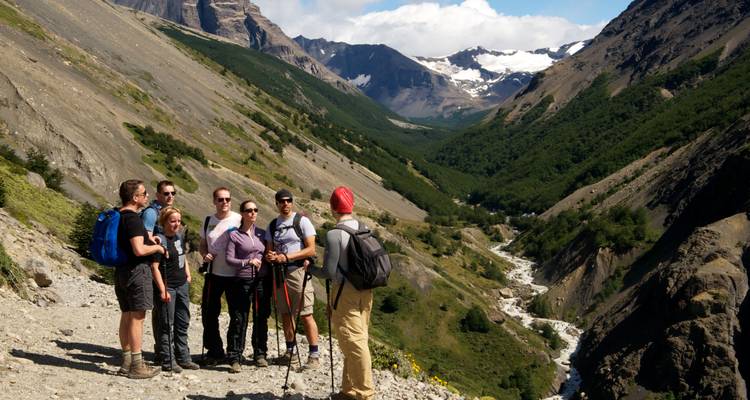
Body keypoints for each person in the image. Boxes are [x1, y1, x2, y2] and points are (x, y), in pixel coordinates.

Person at [312, 186, 374, 399]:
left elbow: (328, 272)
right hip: (365, 291)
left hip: (345, 293)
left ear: (332, 208)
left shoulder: (334, 234)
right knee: (358, 338)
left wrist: (308, 268)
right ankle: (349, 391)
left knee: (353, 342)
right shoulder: (363, 227)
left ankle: (365, 393)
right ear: (352, 205)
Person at [115, 179, 166, 379]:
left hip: (121, 271)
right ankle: (137, 364)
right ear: (135, 198)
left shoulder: (118, 215)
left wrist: (149, 239)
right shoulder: (133, 218)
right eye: (144, 193)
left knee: (126, 314)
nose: (147, 196)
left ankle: (126, 361)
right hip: (136, 272)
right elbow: (138, 249)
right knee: (138, 317)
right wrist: (157, 248)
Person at [265, 188, 320, 369]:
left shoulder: (302, 222)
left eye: (288, 200)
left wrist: (287, 257)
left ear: (292, 202)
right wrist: (270, 255)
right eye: (281, 201)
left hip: (297, 272)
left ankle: (314, 355)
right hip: (279, 273)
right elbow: (269, 249)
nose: (285, 204)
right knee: (286, 314)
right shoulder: (272, 225)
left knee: (306, 314)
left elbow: (311, 249)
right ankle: (291, 352)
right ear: (277, 203)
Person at [149, 207, 200, 372]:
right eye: (172, 221)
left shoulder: (178, 237)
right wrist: (162, 290)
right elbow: (154, 267)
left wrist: (187, 274)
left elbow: (182, 256)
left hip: (182, 284)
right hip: (168, 286)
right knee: (166, 324)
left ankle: (184, 357)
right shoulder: (160, 241)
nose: (176, 224)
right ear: (164, 222)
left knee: (183, 321)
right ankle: (168, 360)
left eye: (178, 221)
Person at [225, 200, 272, 373]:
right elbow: (230, 259)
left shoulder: (262, 233)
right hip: (242, 281)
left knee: (261, 317)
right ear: (242, 213)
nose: (253, 213)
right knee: (240, 318)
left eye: (255, 210)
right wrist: (247, 261)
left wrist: (270, 256)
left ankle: (260, 354)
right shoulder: (234, 235)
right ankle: (235, 356)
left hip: (261, 280)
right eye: (249, 210)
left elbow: (267, 253)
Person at [199, 187, 242, 366]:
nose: (224, 202)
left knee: (237, 315)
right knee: (209, 313)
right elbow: (203, 244)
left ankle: (234, 353)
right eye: (220, 199)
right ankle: (215, 350)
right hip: (214, 273)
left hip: (236, 275)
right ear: (214, 201)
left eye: (227, 199)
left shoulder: (239, 219)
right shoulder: (208, 220)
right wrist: (204, 254)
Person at [142, 180, 176, 361]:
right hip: (155, 266)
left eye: (172, 193)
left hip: (168, 268)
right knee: (161, 311)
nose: (170, 196)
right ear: (158, 195)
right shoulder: (151, 213)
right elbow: (145, 239)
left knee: (166, 311)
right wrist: (159, 246)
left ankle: (165, 350)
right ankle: (161, 352)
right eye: (166, 193)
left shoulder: (165, 212)